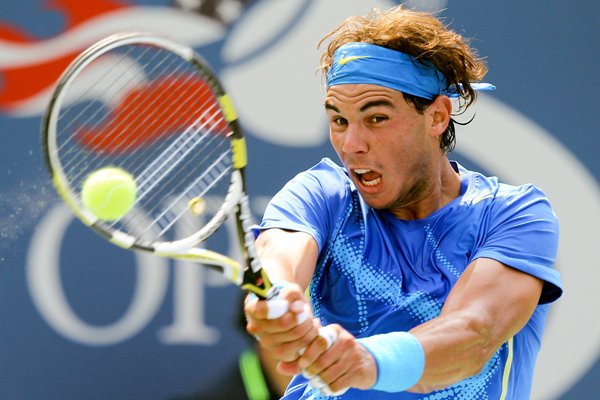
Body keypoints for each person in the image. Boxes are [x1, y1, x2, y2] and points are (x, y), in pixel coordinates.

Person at [244, 5, 563, 400]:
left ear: (437, 117)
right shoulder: (321, 194)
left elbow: (473, 334)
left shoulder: (513, 215)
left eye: (376, 118)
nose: (352, 145)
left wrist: (368, 362)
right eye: (339, 120)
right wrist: (279, 290)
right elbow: (279, 253)